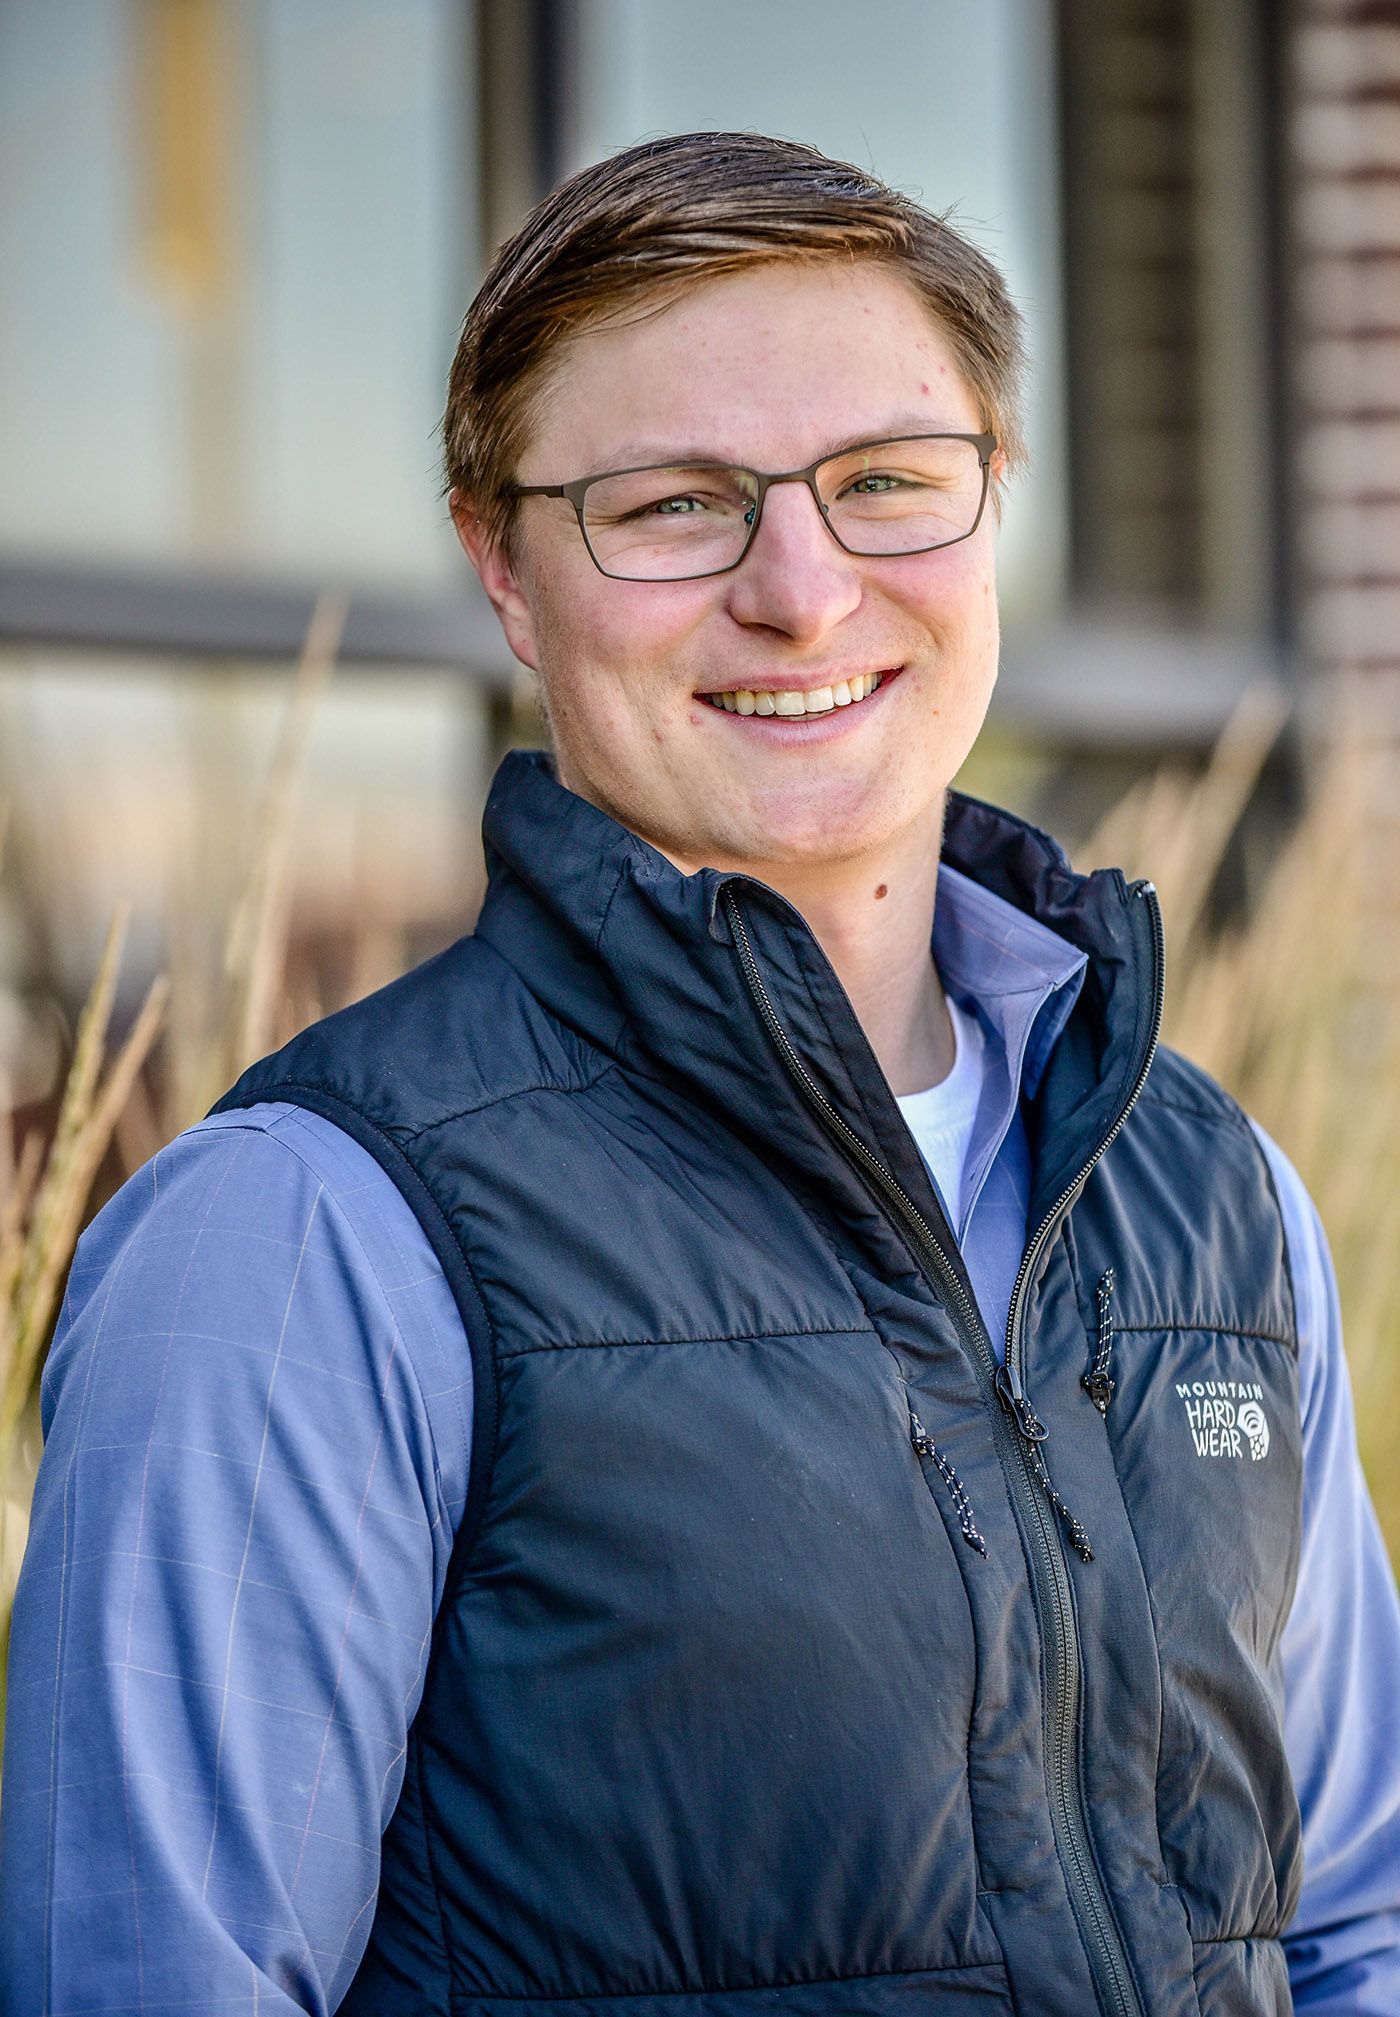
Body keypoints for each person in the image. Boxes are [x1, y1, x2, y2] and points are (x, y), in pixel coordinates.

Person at [2, 131, 1398, 2017]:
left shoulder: (1212, 1191)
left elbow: (1354, 1928)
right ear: (504, 570)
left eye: (890, 483)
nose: (804, 595)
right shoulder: (302, 1238)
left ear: (995, 509)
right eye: (672, 506)